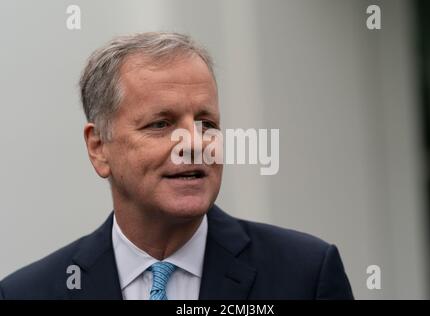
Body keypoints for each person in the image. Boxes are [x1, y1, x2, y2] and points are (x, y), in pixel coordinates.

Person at [0, 32, 353, 300]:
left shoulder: (305, 275)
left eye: (207, 123)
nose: (195, 143)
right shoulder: (27, 293)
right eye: (161, 124)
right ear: (99, 147)